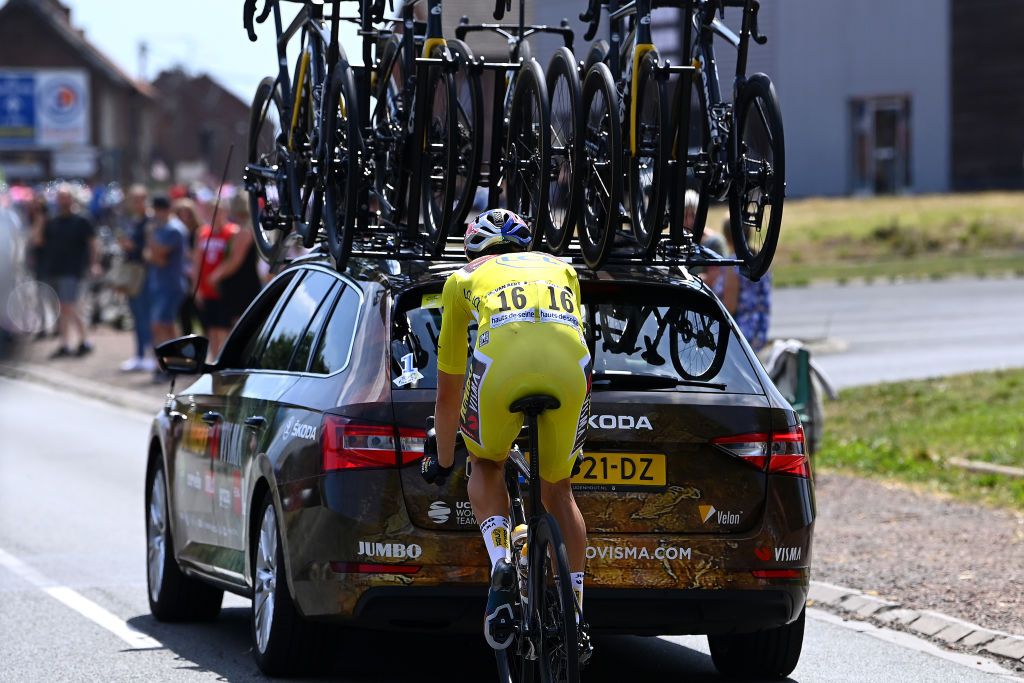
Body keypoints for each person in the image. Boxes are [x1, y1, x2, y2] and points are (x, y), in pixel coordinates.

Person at [419, 209, 592, 659]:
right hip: (569, 370)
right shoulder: (562, 268)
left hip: (501, 372)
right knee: (560, 489)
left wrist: (440, 460)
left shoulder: (461, 280)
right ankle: (574, 610)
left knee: (487, 462)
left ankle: (500, 564)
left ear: (475, 250)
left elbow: (448, 390)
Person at [42, 184, 98, 358]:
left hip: (73, 270)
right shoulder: (53, 221)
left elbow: (93, 243)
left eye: (65, 197)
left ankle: (83, 340)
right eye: (60, 197)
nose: (63, 200)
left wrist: (94, 263)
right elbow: (39, 241)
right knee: (62, 309)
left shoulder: (82, 220)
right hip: (54, 269)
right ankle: (66, 343)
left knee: (69, 306)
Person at [145, 195, 188, 381]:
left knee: (160, 325)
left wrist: (150, 236)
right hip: (160, 283)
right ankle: (172, 363)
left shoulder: (174, 229)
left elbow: (159, 257)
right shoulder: (161, 228)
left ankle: (166, 364)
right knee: (167, 326)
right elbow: (148, 255)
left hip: (171, 284)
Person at [191, 201, 239, 358]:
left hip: (223, 288)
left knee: (224, 327)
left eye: (218, 211)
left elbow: (232, 259)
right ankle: (213, 358)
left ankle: (224, 359)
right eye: (212, 211)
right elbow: (197, 261)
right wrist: (196, 287)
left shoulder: (232, 232)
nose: (215, 215)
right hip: (206, 288)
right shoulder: (202, 233)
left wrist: (218, 275)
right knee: (211, 327)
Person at [719, 217, 772, 353]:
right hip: (759, 327)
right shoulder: (758, 259)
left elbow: (730, 306)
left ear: (727, 236)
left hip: (742, 329)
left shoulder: (733, 263)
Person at [117, 185, 155, 372]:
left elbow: (149, 249)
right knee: (135, 314)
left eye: (140, 199)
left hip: (145, 273)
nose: (137, 204)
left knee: (145, 315)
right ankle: (139, 354)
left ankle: (149, 354)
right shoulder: (133, 221)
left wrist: (133, 246)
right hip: (132, 272)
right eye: (134, 200)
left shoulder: (150, 221)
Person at [218, 191, 265, 326]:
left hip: (242, 285)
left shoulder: (243, 231)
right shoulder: (251, 228)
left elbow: (235, 261)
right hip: (246, 282)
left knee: (240, 325)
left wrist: (216, 276)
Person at [173, 198, 202, 335]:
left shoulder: (199, 232)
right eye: (180, 214)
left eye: (187, 214)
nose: (184, 217)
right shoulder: (174, 233)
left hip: (196, 278)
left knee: (201, 315)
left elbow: (197, 255)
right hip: (180, 279)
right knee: (184, 317)